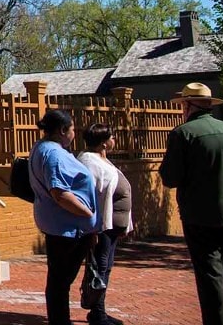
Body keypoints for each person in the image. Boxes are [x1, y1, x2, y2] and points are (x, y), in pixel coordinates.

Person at [159, 82, 223, 325]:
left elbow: (170, 177)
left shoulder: (183, 134)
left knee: (210, 276)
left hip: (200, 216)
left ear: (187, 105)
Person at [30, 109, 99, 325]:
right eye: (71, 130)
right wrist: (87, 213)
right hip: (67, 228)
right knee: (60, 281)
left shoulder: (42, 148)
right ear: (62, 130)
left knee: (59, 280)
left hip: (61, 225)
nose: (73, 134)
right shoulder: (54, 155)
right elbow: (59, 193)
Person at [78, 122, 134, 325]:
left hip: (111, 228)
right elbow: (89, 196)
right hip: (100, 228)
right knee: (98, 269)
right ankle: (97, 313)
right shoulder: (89, 162)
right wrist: (92, 228)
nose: (114, 140)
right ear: (103, 142)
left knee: (105, 267)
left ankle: (99, 311)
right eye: (112, 137)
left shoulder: (102, 159)